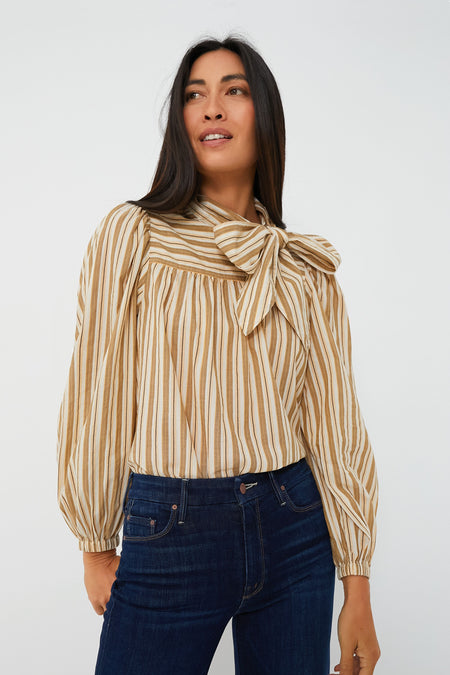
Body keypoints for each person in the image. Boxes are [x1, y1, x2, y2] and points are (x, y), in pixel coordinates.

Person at [56, 34, 380, 675]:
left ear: (265, 114)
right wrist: (95, 540)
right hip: (168, 530)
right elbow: (99, 389)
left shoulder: (299, 266)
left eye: (234, 90)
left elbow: (335, 425)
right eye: (193, 95)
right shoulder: (133, 235)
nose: (211, 107)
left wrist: (358, 585)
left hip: (296, 528)